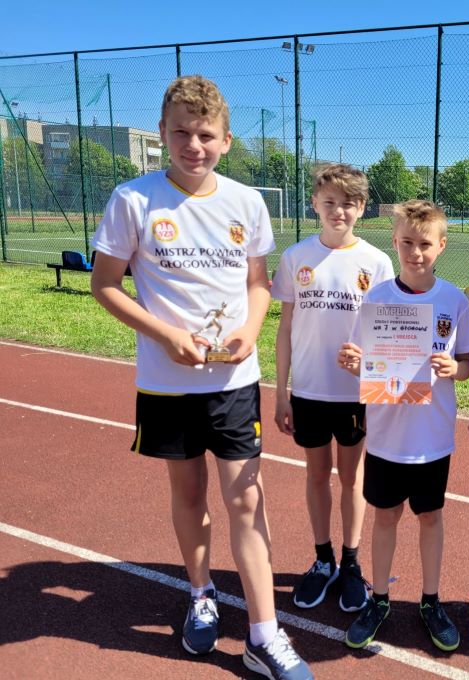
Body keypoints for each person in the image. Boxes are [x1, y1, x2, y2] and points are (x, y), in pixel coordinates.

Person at [90, 75, 312, 680]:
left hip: (234, 383)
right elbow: (105, 285)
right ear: (162, 134)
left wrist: (251, 330)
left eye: (206, 135)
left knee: (247, 499)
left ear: (226, 141)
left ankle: (263, 634)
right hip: (167, 384)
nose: (194, 145)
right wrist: (166, 335)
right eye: (182, 132)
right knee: (188, 495)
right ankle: (201, 593)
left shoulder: (246, 202)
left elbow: (257, 283)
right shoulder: (133, 199)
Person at [337, 200, 469, 651]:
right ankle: (379, 599)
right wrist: (353, 363)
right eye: (408, 243)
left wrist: (454, 370)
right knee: (386, 516)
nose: (416, 253)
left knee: (430, 517)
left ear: (442, 246)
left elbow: (466, 364)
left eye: (425, 244)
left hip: (432, 439)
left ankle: (430, 601)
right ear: (394, 242)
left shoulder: (453, 299)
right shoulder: (377, 298)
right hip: (386, 438)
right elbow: (364, 363)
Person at [271, 164, 393, 614]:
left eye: (348, 203)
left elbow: (385, 332)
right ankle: (323, 560)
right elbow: (285, 329)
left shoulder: (377, 262)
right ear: (314, 204)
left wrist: (372, 370)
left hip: (356, 394)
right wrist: (280, 391)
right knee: (316, 474)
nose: (338, 210)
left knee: (352, 477)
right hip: (308, 390)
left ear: (361, 208)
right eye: (329, 202)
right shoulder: (296, 257)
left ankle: (351, 562)